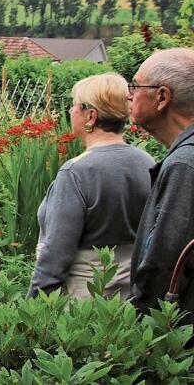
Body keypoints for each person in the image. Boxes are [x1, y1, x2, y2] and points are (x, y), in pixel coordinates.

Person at [28, 74, 155, 299]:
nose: (70, 112)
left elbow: (56, 256)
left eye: (74, 105)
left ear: (91, 116)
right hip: (130, 299)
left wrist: (32, 310)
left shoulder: (76, 172)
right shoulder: (147, 162)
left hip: (84, 302)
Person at [128, 48, 194, 323]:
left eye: (135, 85)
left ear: (162, 97)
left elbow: (164, 265)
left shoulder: (185, 164)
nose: (129, 94)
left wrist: (139, 333)